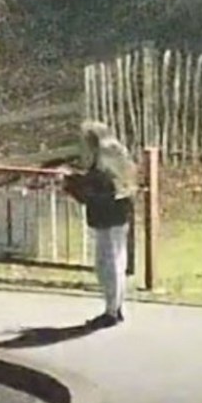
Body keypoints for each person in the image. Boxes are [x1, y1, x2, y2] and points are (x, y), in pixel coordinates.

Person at [62, 121, 138, 329]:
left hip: (109, 215)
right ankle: (115, 308)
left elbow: (98, 191)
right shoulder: (116, 157)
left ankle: (112, 310)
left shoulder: (105, 163)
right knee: (114, 261)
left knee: (108, 263)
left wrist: (73, 185)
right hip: (117, 214)